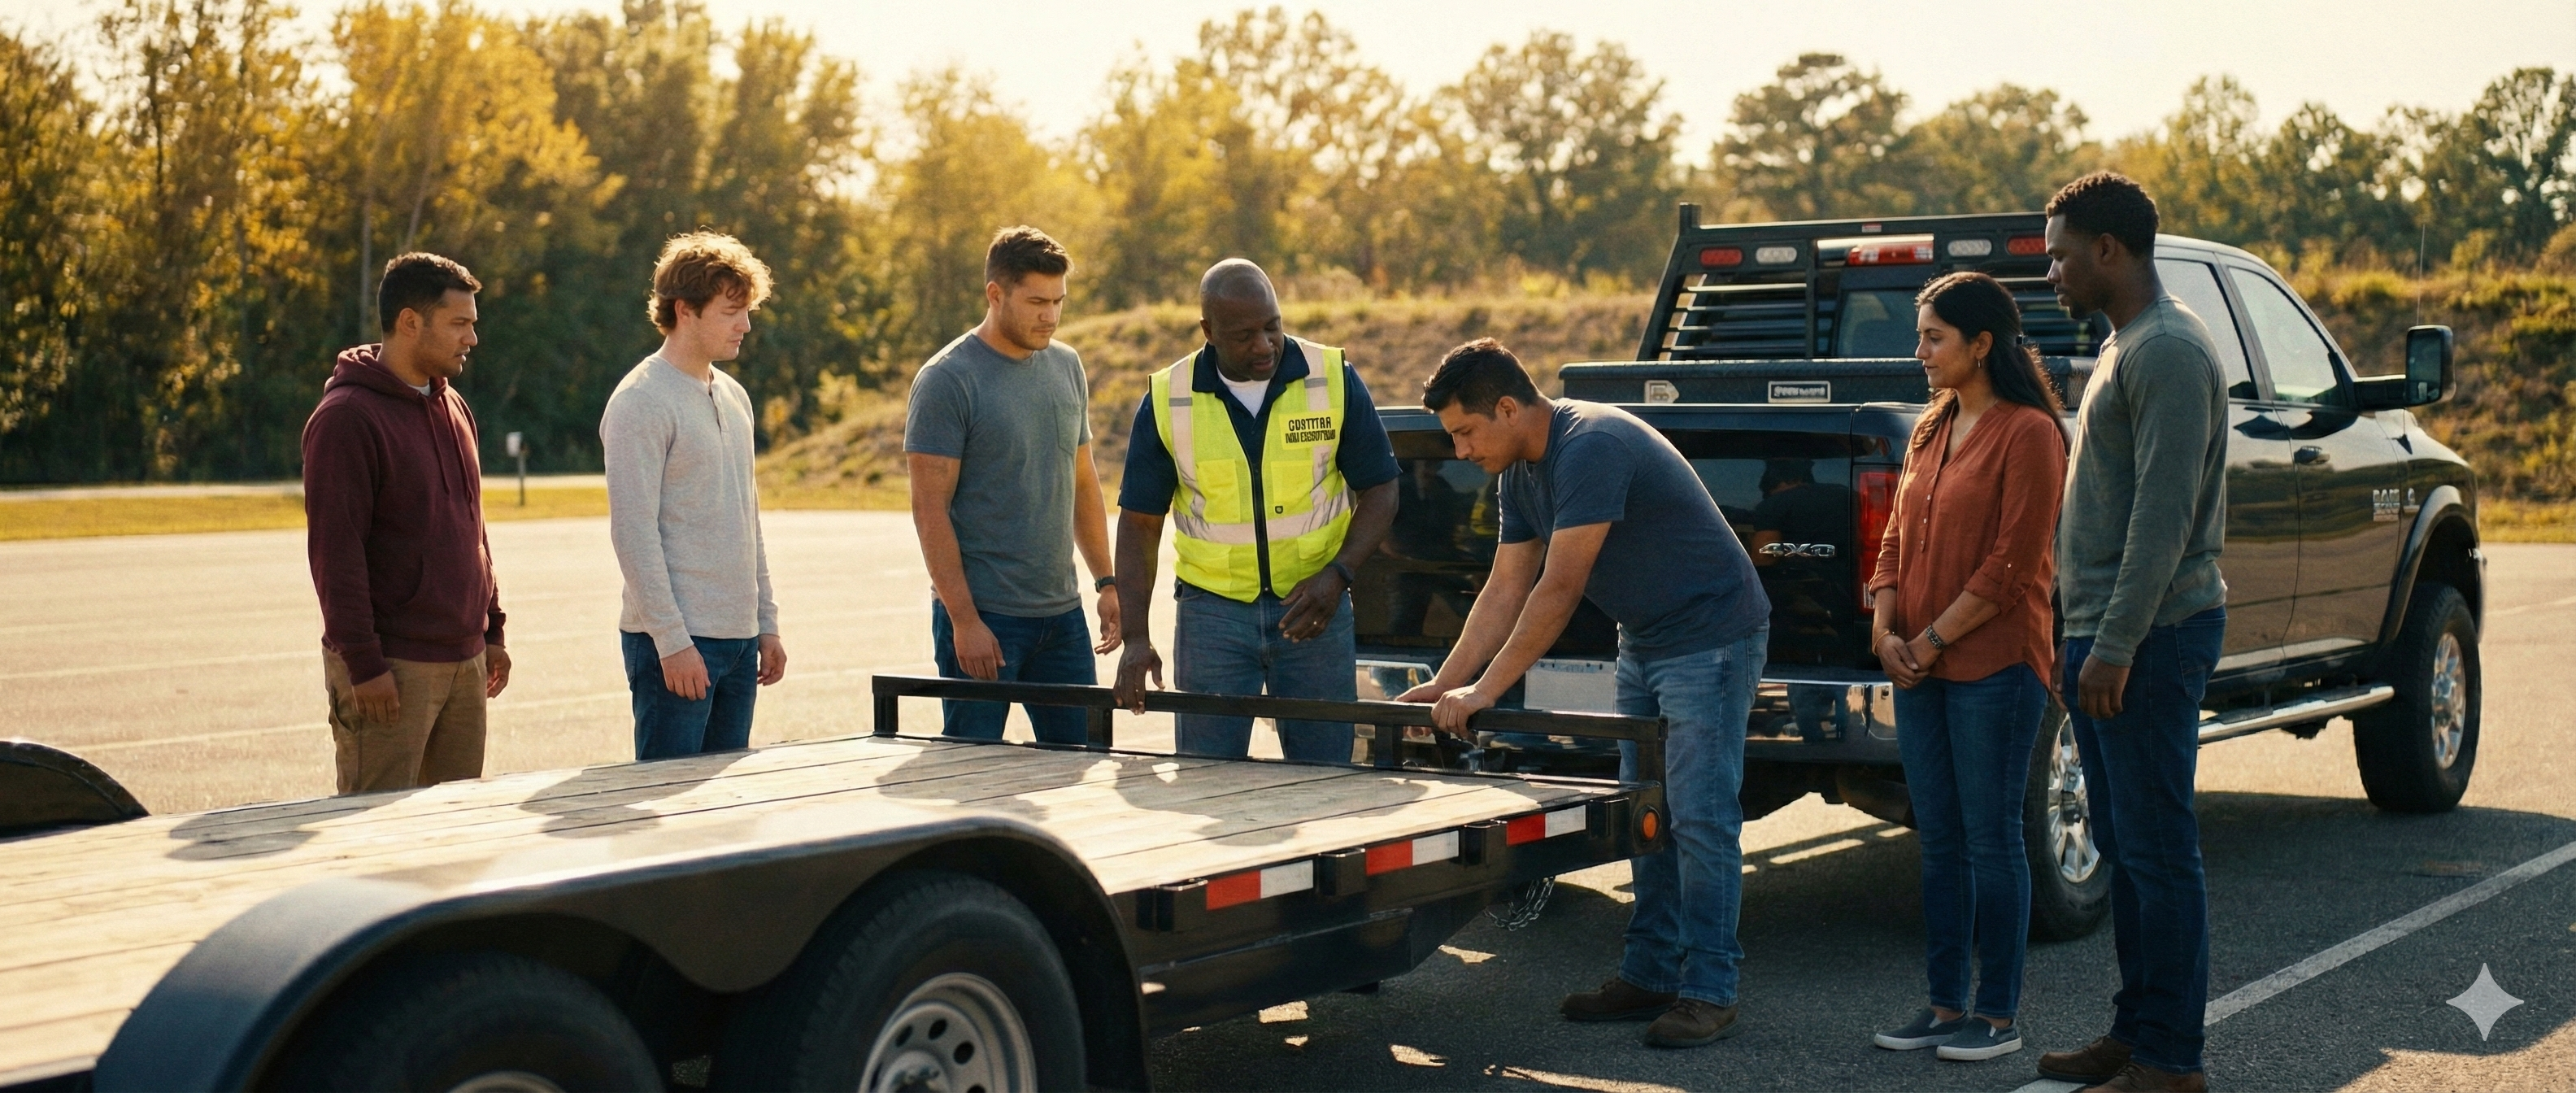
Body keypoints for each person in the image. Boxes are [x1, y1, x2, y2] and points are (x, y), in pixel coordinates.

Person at [1396, 339, 1772, 1049]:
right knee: (1647, 814)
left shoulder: (1589, 444)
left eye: (1466, 432)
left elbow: (1559, 590)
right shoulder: (1519, 472)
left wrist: (1484, 691)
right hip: (1647, 639)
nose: (1459, 450)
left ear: (1508, 408)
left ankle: (1710, 991)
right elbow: (1505, 587)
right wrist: (1447, 683)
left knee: (1699, 817)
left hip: (1712, 638)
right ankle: (1651, 975)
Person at [2033, 172, 2230, 1093]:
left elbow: (2163, 518)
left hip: (2149, 636)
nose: (2052, 273)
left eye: (2061, 254)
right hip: (2106, 633)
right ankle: (2137, 1033)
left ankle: (2172, 1062)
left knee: (2157, 850)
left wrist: (2112, 644)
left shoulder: (2169, 351)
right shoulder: (2125, 345)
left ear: (2108, 250)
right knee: (2125, 846)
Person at [1864, 272, 2068, 1064]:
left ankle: (1996, 1014)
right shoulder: (1928, 427)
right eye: (1920, 336)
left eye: (1932, 337)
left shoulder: (2032, 434)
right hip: (1917, 664)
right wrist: (1887, 630)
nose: (1918, 352)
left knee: (1991, 838)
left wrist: (1933, 639)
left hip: (1995, 665)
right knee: (1939, 839)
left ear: (1982, 344)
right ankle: (1944, 1003)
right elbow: (1892, 540)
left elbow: (2012, 565)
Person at [1111, 259, 1399, 761]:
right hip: (1213, 619)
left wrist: (1339, 576)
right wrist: (1136, 637)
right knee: (1209, 780)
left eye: (1273, 326)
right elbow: (1139, 526)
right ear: (1209, 331)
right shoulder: (1168, 398)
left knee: (1326, 780)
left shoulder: (1330, 378)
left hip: (1315, 612)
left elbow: (1382, 489)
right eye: (1244, 335)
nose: (1265, 345)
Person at [303, 252, 512, 795]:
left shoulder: (456, 407)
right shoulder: (347, 418)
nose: (472, 338)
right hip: (392, 668)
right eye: (459, 324)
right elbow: (336, 555)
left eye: (474, 324)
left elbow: (474, 530)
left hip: (465, 662)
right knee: (373, 837)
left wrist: (492, 629)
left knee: (451, 838)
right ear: (410, 322)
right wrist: (364, 665)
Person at [905, 226, 1120, 742]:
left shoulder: (1067, 366)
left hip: (1061, 616)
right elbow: (929, 510)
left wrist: (1107, 582)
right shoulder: (947, 380)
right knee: (975, 776)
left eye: (1058, 302)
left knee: (1083, 763)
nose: (1050, 315)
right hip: (986, 619)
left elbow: (1082, 482)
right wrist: (963, 620)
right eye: (1036, 301)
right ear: (995, 294)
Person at [603, 232, 788, 761]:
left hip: (738, 640)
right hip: (678, 646)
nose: (745, 325)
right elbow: (632, 533)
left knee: (721, 819)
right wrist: (672, 642)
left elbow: (746, 520)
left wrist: (766, 623)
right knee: (669, 812)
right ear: (685, 310)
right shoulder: (640, 401)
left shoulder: (734, 396)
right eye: (732, 311)